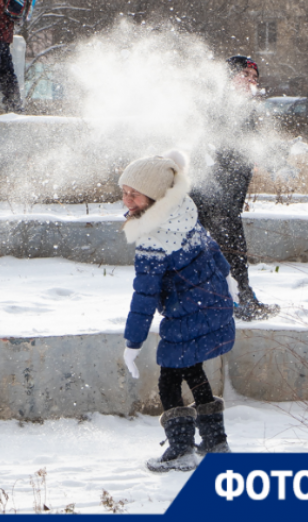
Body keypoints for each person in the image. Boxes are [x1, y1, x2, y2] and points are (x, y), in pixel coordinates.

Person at [119, 150, 237, 473]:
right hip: (209, 304)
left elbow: (144, 296)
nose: (126, 200)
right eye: (124, 192)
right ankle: (216, 442)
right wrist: (228, 278)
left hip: (188, 313)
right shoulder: (183, 212)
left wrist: (133, 342)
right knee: (193, 370)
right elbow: (211, 248)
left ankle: (181, 449)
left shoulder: (151, 240)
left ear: (155, 196)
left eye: (134, 194)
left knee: (169, 380)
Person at [190, 55, 280, 321]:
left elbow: (247, 147)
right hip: (213, 195)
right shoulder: (219, 104)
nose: (251, 82)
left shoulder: (243, 109)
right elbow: (210, 145)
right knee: (231, 250)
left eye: (254, 78)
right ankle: (240, 302)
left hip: (226, 198)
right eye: (245, 76)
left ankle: (223, 301)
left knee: (220, 250)